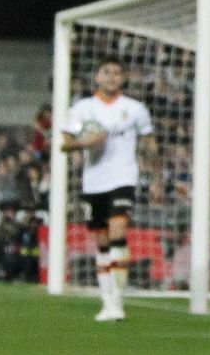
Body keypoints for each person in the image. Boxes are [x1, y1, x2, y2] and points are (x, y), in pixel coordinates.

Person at [60, 58, 156, 321]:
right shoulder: (83, 108)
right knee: (102, 242)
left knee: (118, 231)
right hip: (94, 181)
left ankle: (117, 302)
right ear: (97, 78)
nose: (112, 77)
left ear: (123, 79)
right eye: (107, 72)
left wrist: (155, 174)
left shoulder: (135, 109)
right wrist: (86, 143)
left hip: (123, 178)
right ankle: (106, 301)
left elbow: (149, 142)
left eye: (117, 73)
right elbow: (64, 144)